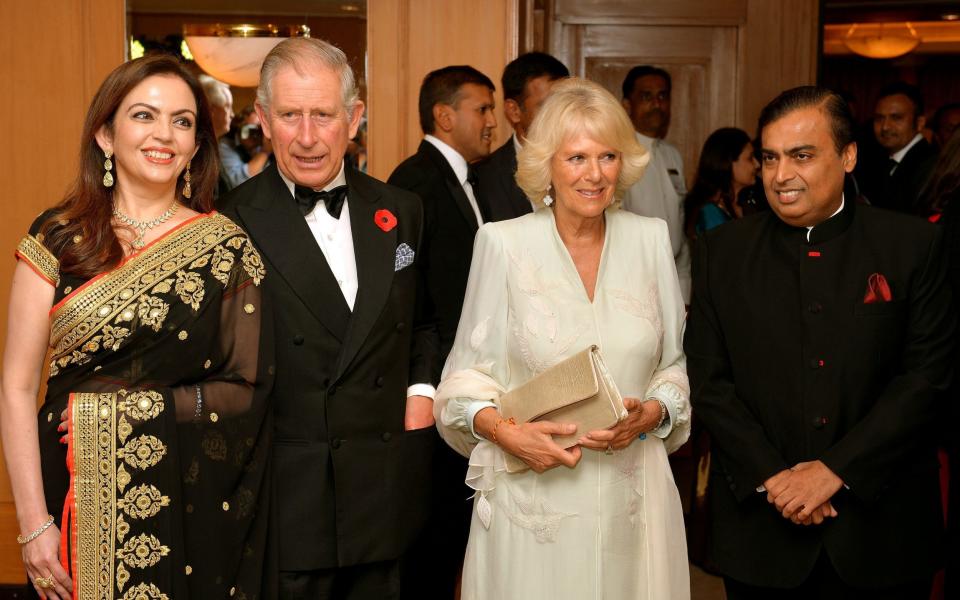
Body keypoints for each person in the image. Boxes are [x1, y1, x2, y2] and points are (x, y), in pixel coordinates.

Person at [0, 55, 272, 599]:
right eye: (144, 116)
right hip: (69, 497)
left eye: (182, 121)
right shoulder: (58, 236)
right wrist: (34, 525)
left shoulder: (225, 249)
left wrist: (133, 412)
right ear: (106, 133)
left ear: (197, 145)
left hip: (186, 504)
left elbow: (247, 390)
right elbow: (16, 386)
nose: (164, 135)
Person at [685, 86, 954, 599]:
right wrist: (776, 478)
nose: (780, 175)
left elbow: (927, 378)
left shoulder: (912, 245)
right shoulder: (723, 252)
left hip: (883, 531)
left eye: (802, 156)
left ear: (848, 156)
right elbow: (709, 380)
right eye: (769, 158)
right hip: (762, 530)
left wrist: (835, 470)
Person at [435, 77, 691, 600]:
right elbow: (461, 386)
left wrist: (656, 412)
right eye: (576, 158)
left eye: (607, 156)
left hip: (634, 505)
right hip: (535, 510)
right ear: (546, 163)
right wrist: (504, 431)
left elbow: (673, 367)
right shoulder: (502, 244)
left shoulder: (651, 240)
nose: (594, 175)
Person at [221, 37, 438, 599]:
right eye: (290, 115)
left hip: (386, 486)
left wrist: (420, 394)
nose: (309, 137)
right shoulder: (227, 224)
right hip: (289, 499)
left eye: (323, 114)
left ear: (354, 117)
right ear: (264, 120)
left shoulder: (402, 210)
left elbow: (426, 324)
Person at [387, 64, 497, 599]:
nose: (492, 122)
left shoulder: (469, 179)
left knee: (453, 531)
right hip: (434, 381)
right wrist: (425, 383)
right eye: (483, 109)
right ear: (444, 115)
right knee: (430, 538)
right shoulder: (415, 182)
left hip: (465, 379)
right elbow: (411, 298)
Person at [619, 65, 691, 302]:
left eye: (662, 96)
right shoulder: (616, 156)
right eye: (646, 96)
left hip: (674, 280)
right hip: (632, 283)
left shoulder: (672, 155)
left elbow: (679, 226)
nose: (657, 104)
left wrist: (685, 293)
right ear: (627, 105)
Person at [476, 52, 568, 222]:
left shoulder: (589, 167)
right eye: (547, 106)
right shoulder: (482, 179)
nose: (559, 115)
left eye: (565, 104)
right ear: (514, 111)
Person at [863, 81, 938, 214]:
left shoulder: (930, 165)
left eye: (896, 118)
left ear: (920, 123)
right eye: (879, 118)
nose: (885, 127)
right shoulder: (879, 160)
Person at [684, 127, 759, 237]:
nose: (758, 164)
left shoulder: (746, 201)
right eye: (750, 158)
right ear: (728, 162)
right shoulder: (710, 213)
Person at [199, 75, 270, 193]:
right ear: (211, 110)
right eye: (227, 106)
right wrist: (265, 152)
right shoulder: (212, 146)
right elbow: (238, 184)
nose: (232, 114)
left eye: (259, 129)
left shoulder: (211, 145)